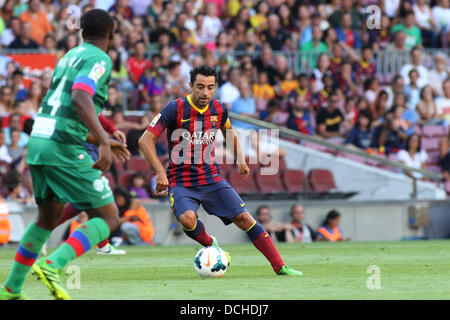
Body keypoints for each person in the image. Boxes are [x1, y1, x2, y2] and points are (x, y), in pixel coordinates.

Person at [0, 9, 130, 300]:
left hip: (39, 141)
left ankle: (11, 289)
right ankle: (52, 264)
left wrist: (104, 136)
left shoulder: (69, 56)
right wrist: (105, 144)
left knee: (47, 218)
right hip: (63, 147)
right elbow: (80, 97)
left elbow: (67, 109)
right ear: (110, 33)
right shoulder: (99, 59)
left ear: (83, 32)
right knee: (109, 218)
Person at [139, 65, 302, 276]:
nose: (205, 92)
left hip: (211, 179)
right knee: (187, 219)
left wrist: (240, 160)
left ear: (215, 87)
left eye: (210, 87)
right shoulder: (174, 108)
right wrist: (159, 171)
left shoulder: (218, 108)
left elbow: (229, 132)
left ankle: (280, 266)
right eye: (200, 87)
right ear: (190, 86)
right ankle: (211, 244)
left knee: (245, 219)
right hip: (181, 181)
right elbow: (145, 139)